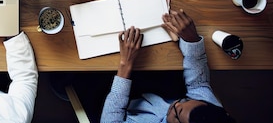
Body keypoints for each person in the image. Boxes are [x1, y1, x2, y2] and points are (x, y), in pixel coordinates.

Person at [101, 9, 236, 123]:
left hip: (112, 104)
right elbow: (198, 84)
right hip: (154, 91)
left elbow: (111, 119)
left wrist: (125, 63)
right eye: (185, 101)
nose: (177, 103)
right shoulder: (212, 113)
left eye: (177, 112)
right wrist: (191, 40)